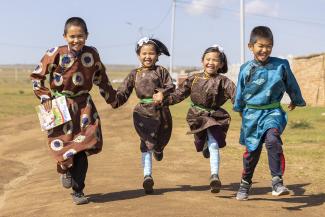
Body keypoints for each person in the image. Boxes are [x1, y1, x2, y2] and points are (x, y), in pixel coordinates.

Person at [30, 17, 116, 204]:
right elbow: (37, 77)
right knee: (62, 146)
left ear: (87, 36)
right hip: (58, 104)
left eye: (80, 36)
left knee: (83, 147)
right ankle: (63, 166)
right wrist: (45, 96)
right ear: (65, 36)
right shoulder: (55, 53)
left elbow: (101, 78)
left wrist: (113, 98)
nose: (76, 40)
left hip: (84, 106)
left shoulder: (92, 54)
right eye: (72, 36)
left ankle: (78, 191)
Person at [233, 26, 306, 201]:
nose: (264, 50)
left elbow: (291, 84)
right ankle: (245, 183)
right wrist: (240, 108)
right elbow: (240, 92)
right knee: (252, 152)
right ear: (250, 46)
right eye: (260, 46)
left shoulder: (281, 65)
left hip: (273, 111)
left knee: (273, 139)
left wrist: (296, 99)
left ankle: (277, 181)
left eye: (269, 46)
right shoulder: (245, 69)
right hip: (251, 115)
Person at [155, 44, 236, 193]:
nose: (211, 62)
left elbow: (236, 96)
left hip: (215, 116)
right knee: (202, 141)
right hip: (196, 116)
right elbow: (178, 94)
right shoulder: (194, 78)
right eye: (208, 59)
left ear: (221, 64)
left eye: (215, 60)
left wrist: (242, 106)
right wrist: (163, 101)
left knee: (214, 143)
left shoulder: (224, 81)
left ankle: (214, 176)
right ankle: (203, 144)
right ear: (202, 60)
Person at [111, 37, 175, 194]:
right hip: (142, 113)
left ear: (157, 55)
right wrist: (112, 97)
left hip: (161, 111)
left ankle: (159, 149)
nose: (148, 56)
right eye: (144, 53)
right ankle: (147, 176)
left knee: (162, 139)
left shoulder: (161, 71)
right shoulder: (134, 74)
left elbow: (170, 86)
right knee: (146, 143)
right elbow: (123, 92)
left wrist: (162, 93)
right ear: (138, 55)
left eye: (151, 53)